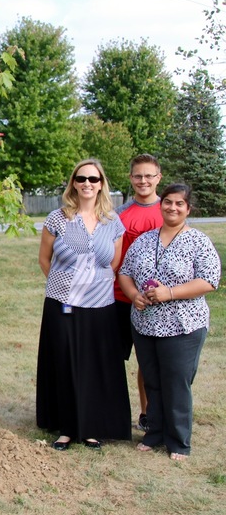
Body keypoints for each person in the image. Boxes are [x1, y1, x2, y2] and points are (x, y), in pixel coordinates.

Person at [118, 184, 220, 461]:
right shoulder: (145, 239)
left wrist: (170, 293)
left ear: (188, 209)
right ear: (160, 205)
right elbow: (125, 272)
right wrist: (133, 295)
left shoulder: (198, 241)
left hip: (183, 325)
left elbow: (209, 280)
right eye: (167, 202)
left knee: (176, 382)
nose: (172, 208)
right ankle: (154, 433)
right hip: (145, 324)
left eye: (179, 204)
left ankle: (178, 442)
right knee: (152, 381)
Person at [36, 158, 131, 451]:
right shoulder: (57, 218)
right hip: (62, 304)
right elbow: (44, 259)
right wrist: (65, 287)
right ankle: (66, 428)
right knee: (64, 362)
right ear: (73, 184)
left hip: (100, 306)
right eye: (81, 179)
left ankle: (92, 426)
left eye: (93, 179)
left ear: (101, 183)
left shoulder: (113, 222)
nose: (87, 184)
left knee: (95, 364)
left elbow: (113, 262)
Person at [114, 154, 164, 432]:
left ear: (158, 177)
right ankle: (113, 412)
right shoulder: (120, 214)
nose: (143, 181)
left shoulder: (167, 210)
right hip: (120, 298)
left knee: (148, 363)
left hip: (155, 303)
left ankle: (148, 414)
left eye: (149, 175)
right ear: (131, 178)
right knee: (113, 359)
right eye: (137, 176)